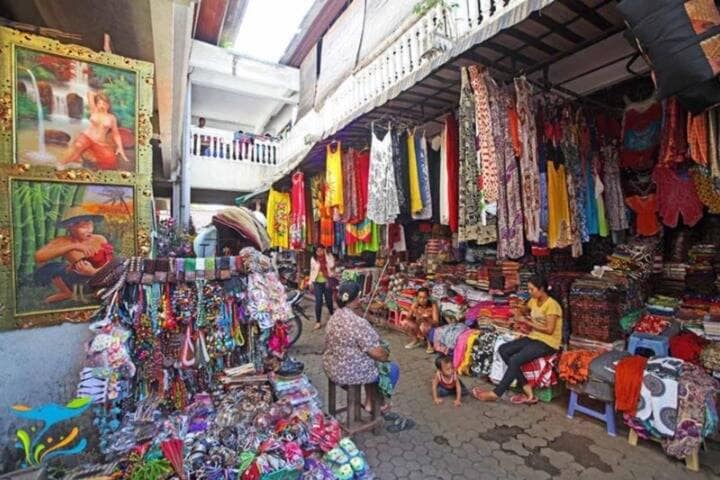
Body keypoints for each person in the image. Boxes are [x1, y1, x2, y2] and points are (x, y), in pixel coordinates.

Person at [472, 275, 562, 404]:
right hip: (534, 338)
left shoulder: (552, 305)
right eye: (529, 289)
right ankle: (527, 389)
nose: (530, 292)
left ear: (541, 289)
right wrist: (518, 311)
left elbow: (549, 329)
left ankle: (496, 393)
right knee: (503, 349)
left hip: (548, 342)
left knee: (515, 359)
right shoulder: (533, 301)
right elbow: (525, 309)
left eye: (532, 290)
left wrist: (526, 321)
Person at [323, 281, 402, 420]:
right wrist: (385, 353)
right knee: (391, 368)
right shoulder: (358, 323)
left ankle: (369, 402)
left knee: (369, 363)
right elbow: (379, 354)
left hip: (332, 367)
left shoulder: (335, 316)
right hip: (348, 373)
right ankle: (379, 403)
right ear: (356, 299)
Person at [34, 207, 113, 303]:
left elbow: (110, 263)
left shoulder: (99, 239)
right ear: (70, 228)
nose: (88, 230)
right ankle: (66, 292)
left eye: (90, 225)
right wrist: (73, 246)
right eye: (83, 227)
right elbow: (39, 256)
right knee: (52, 268)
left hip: (101, 275)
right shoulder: (64, 241)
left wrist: (93, 272)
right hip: (76, 277)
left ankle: (97, 291)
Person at [60, 91, 129, 170]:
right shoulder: (94, 110)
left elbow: (116, 134)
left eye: (104, 104)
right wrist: (100, 95)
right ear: (97, 104)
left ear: (108, 105)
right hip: (87, 137)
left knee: (111, 161)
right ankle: (62, 164)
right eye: (99, 103)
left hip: (100, 142)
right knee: (78, 145)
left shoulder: (111, 118)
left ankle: (84, 164)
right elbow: (90, 93)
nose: (101, 106)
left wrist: (120, 147)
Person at [403, 287, 440, 352]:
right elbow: (408, 318)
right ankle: (416, 340)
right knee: (405, 322)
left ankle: (430, 345)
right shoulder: (416, 304)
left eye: (424, 298)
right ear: (417, 297)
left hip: (430, 328)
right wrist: (413, 309)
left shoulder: (433, 305)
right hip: (419, 327)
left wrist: (427, 319)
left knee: (424, 325)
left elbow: (436, 322)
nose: (422, 300)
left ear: (428, 297)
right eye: (420, 297)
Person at [309, 246, 337, 330]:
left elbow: (332, 266)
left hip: (327, 282)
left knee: (329, 301)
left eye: (321, 250)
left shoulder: (329, 256)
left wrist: (326, 255)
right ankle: (318, 322)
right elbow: (312, 270)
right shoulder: (313, 259)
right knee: (318, 302)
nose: (319, 252)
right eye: (317, 251)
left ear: (324, 250)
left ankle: (332, 317)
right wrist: (310, 282)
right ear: (315, 251)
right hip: (317, 282)